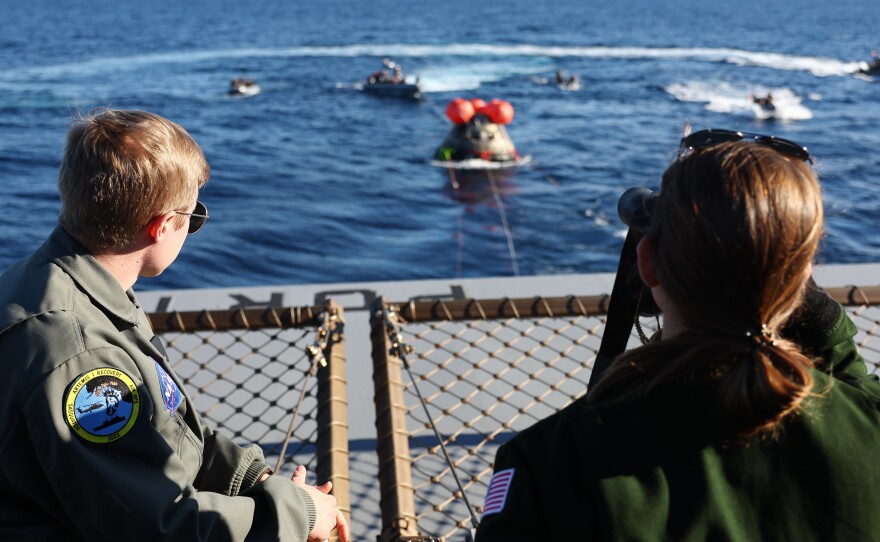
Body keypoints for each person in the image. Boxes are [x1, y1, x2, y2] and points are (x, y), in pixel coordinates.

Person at [475, 130, 880, 540]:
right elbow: (857, 395)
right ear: (802, 278)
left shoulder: (548, 462)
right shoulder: (867, 425)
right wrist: (821, 320)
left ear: (646, 262)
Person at [0, 109, 350, 542]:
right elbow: (156, 527)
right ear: (162, 226)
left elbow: (167, 427)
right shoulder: (80, 355)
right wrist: (300, 513)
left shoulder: (51, 280)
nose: (193, 226)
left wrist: (251, 479)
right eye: (193, 217)